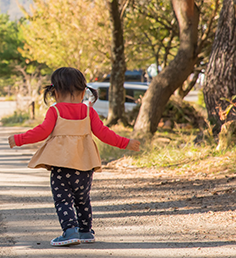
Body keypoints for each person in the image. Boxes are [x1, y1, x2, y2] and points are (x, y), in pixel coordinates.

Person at [7, 67, 140, 247]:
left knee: (63, 200)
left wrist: (19, 139)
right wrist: (126, 143)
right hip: (85, 166)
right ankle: (85, 231)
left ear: (55, 92)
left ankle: (70, 231)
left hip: (61, 166)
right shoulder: (88, 112)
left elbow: (42, 132)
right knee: (82, 199)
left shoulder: (55, 111)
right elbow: (104, 133)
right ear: (83, 92)